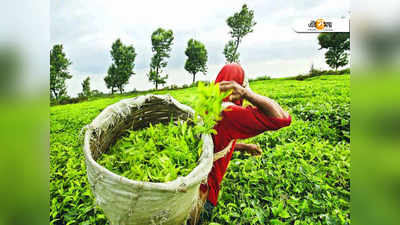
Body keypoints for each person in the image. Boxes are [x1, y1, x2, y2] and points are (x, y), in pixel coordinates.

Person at [189, 63, 291, 225]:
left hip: (188, 191)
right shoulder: (230, 113)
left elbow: (215, 143)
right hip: (204, 196)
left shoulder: (206, 108)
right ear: (235, 86)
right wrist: (246, 92)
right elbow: (281, 118)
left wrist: (244, 147)